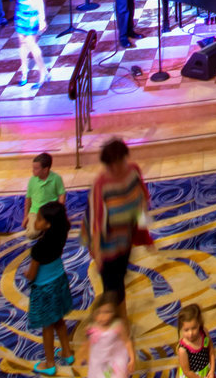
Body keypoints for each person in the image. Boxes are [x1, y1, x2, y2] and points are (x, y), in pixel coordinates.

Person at [88, 137, 151, 298]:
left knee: (119, 281)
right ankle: (118, 321)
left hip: (125, 238)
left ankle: (120, 318)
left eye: (118, 162)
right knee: (112, 290)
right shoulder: (101, 184)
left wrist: (144, 233)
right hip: (106, 243)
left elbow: (142, 202)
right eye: (110, 165)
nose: (115, 168)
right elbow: (96, 222)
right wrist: (98, 253)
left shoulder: (133, 171)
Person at [23, 199, 76, 374]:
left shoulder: (39, 248)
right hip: (59, 281)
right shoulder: (61, 235)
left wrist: (26, 275)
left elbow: (32, 274)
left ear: (47, 225)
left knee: (47, 326)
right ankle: (67, 352)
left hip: (45, 289)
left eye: (37, 219)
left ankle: (50, 363)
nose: (34, 222)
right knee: (59, 319)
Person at [9, 0, 48, 88]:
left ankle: (43, 73)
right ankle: (24, 72)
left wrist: (42, 18)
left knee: (31, 43)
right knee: (22, 42)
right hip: (20, 10)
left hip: (31, 11)